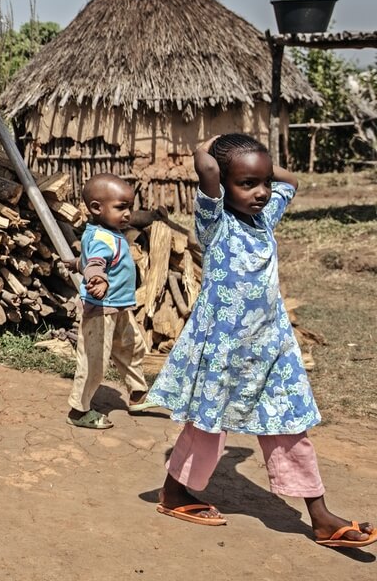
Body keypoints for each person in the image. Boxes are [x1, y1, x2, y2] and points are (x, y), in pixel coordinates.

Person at [145, 133, 375, 548]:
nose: (262, 192)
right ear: (224, 185)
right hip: (224, 351)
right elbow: (208, 167)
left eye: (264, 181)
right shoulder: (214, 223)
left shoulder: (265, 217)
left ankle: (320, 516)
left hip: (272, 348)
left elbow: (294, 182)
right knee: (207, 427)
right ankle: (174, 491)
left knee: (291, 425)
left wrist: (260, 162)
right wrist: (210, 145)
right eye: (247, 184)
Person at [65, 173, 157, 429]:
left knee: (131, 348)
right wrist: (97, 279)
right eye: (121, 207)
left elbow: (90, 258)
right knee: (94, 360)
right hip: (101, 310)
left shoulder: (106, 233)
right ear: (96, 207)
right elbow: (96, 263)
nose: (128, 213)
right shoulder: (102, 238)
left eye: (130, 207)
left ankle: (138, 394)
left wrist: (76, 264)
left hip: (118, 308)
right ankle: (79, 410)